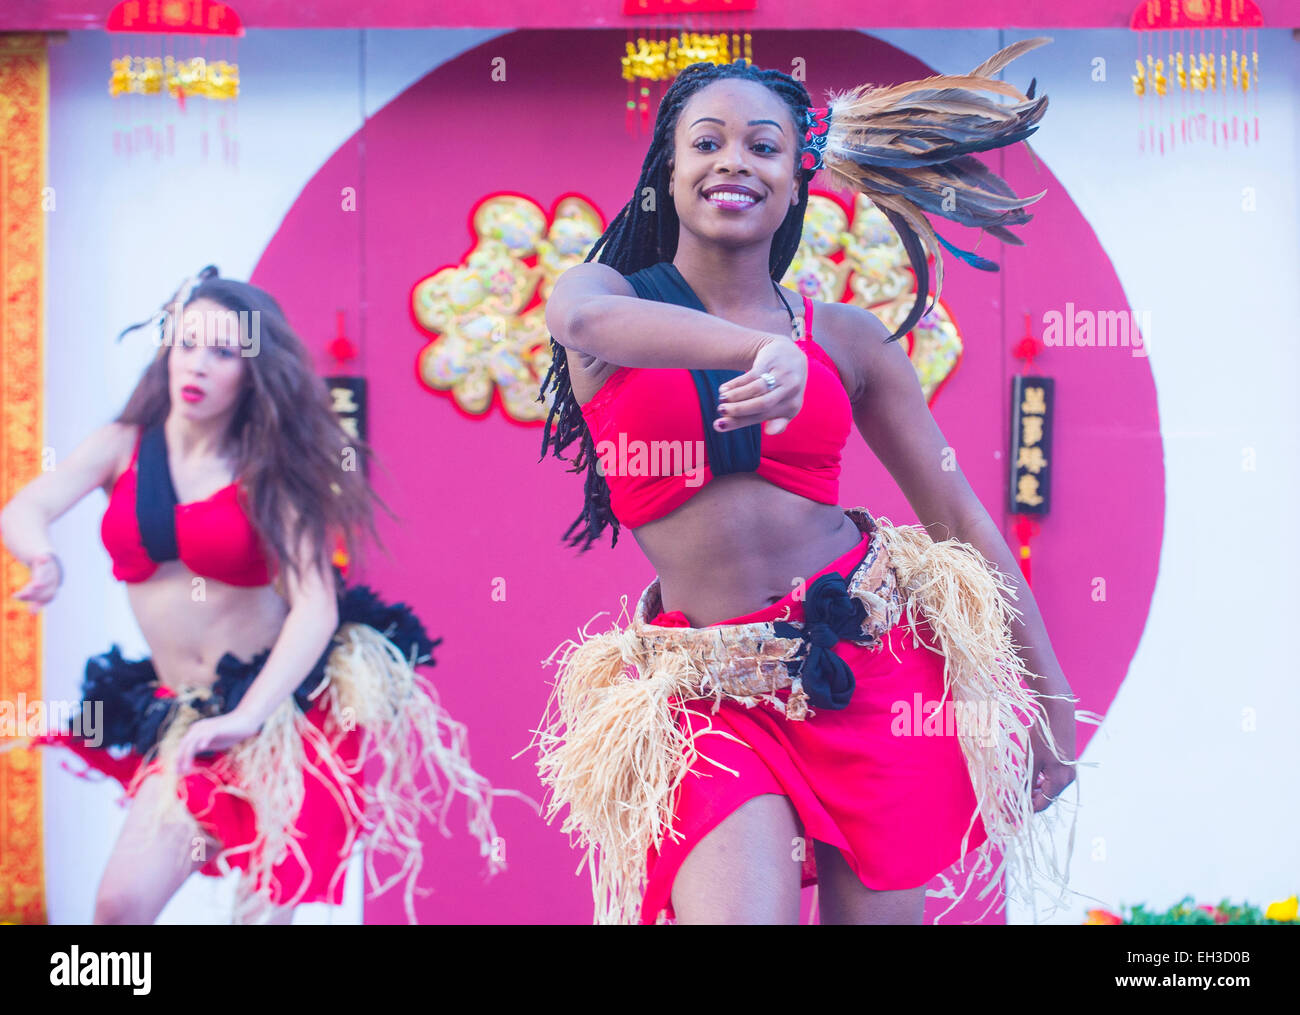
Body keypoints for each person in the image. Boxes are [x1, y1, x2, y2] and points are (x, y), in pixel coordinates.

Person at [533, 40, 1100, 925]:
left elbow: (957, 517)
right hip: (708, 693)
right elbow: (583, 321)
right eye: (706, 142)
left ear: (798, 175)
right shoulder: (607, 295)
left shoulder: (848, 339)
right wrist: (763, 351)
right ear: (668, 172)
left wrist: (1052, 700)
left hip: (869, 664)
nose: (733, 162)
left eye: (762, 146)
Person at [0, 267, 522, 924]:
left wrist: (247, 715)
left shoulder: (271, 470)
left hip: (279, 715)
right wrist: (40, 555)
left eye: (223, 351)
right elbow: (27, 507)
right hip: (185, 717)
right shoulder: (122, 446)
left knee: (259, 916)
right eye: (188, 343)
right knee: (119, 906)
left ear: (252, 371)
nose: (198, 363)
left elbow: (315, 604)